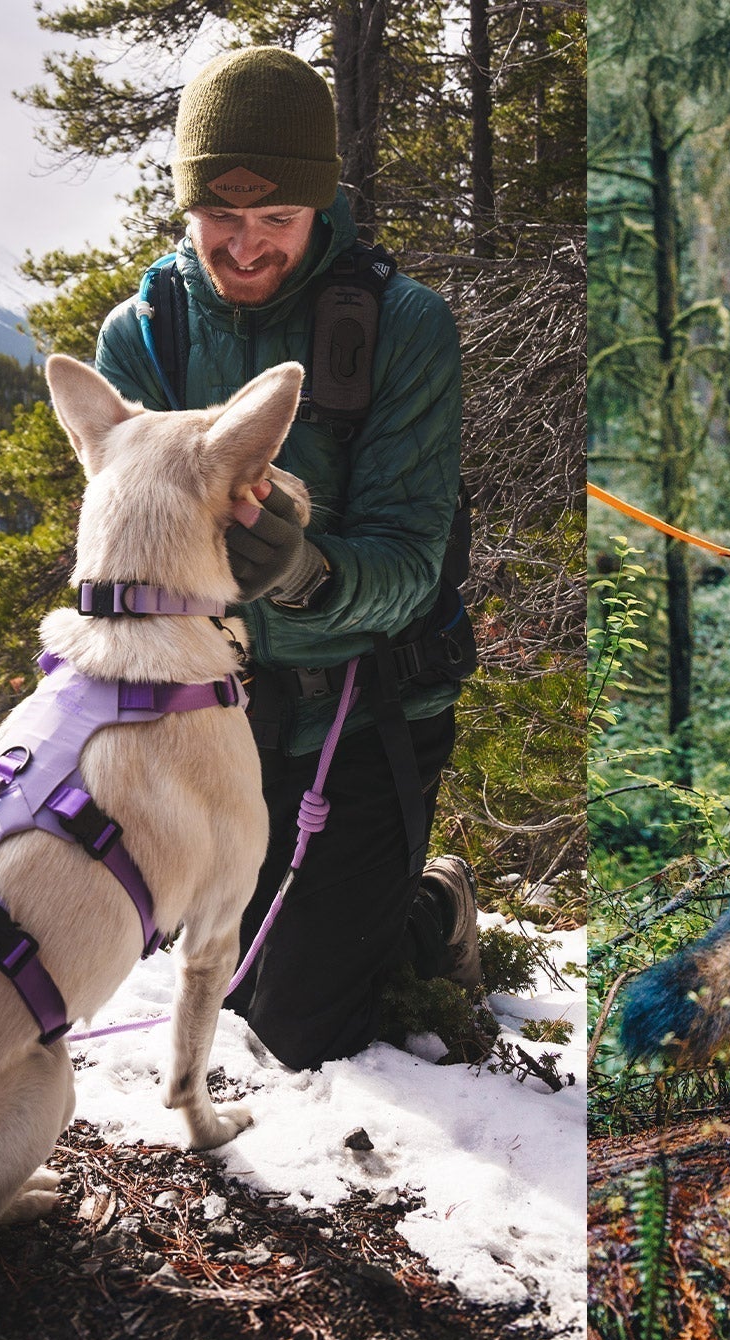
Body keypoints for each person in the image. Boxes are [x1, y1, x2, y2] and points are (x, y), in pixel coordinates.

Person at [94, 45, 481, 1071]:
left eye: (277, 221)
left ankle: (433, 910)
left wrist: (305, 572)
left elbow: (411, 557)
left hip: (371, 708)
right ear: (187, 205)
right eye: (223, 219)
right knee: (211, 971)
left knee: (294, 1024)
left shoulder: (401, 329)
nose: (248, 247)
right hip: (219, 714)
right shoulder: (143, 339)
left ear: (322, 205)